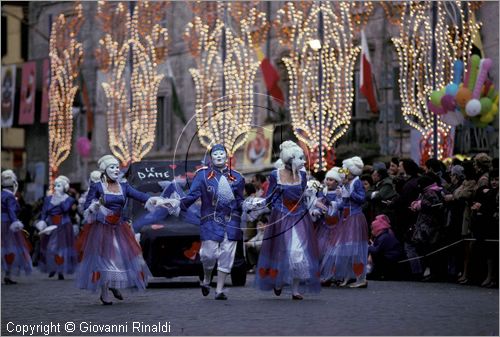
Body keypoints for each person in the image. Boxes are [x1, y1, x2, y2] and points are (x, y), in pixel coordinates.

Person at [76, 155, 163, 305]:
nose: (116, 170)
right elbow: (86, 207)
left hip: (119, 226)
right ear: (104, 170)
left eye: (117, 167)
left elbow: (140, 196)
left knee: (119, 259)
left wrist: (154, 199)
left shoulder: (124, 186)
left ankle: (113, 285)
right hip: (102, 228)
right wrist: (95, 206)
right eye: (112, 167)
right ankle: (104, 292)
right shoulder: (97, 187)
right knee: (105, 259)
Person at [164, 144, 245, 300]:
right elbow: (192, 195)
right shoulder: (202, 176)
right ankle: (207, 278)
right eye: (216, 154)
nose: (219, 156)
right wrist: (177, 204)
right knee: (208, 255)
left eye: (222, 153)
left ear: (227, 156)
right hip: (210, 221)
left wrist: (251, 205)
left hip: (231, 221)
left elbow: (240, 200)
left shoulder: (237, 177)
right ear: (211, 157)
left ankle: (219, 290)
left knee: (227, 255)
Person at [255, 141, 320, 300]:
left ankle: (295, 290)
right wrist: (277, 209)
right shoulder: (275, 175)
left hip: (299, 217)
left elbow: (303, 195)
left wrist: (310, 198)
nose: (301, 162)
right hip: (282, 217)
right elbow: (270, 197)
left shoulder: (303, 175)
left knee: (298, 253)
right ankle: (278, 281)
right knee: (282, 251)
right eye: (298, 158)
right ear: (289, 160)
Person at [329, 156, 369, 288]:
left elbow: (362, 198)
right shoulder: (347, 183)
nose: (344, 173)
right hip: (346, 218)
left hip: (355, 217)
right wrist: (337, 202)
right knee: (346, 249)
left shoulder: (357, 182)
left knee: (355, 249)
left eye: (346, 170)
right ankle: (348, 277)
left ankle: (361, 278)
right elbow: (344, 203)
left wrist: (348, 195)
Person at [34, 175, 77, 280]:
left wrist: (59, 200)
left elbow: (66, 209)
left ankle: (60, 270)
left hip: (64, 225)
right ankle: (53, 267)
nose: (57, 187)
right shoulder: (48, 199)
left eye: (59, 185)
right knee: (50, 247)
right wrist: (42, 221)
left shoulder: (69, 199)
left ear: (64, 187)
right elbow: (44, 211)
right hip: (51, 225)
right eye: (56, 185)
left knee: (62, 249)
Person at [312, 167, 345, 285]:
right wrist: (317, 210)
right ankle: (322, 274)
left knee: (334, 252)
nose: (328, 182)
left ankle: (332, 275)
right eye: (327, 179)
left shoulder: (339, 192)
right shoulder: (323, 191)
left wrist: (333, 204)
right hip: (324, 225)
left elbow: (341, 205)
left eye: (331, 180)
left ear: (336, 182)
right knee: (321, 250)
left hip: (336, 225)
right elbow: (318, 203)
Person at [1, 170, 32, 284]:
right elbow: (11, 210)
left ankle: (7, 274)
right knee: (11, 248)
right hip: (8, 223)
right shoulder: (10, 197)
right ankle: (8, 275)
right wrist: (15, 222)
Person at [367, 214, 403, 280]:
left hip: (390, 259)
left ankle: (377, 273)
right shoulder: (385, 234)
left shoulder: (383, 237)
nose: (372, 231)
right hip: (393, 258)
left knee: (375, 254)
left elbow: (377, 250)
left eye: (373, 229)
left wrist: (368, 247)